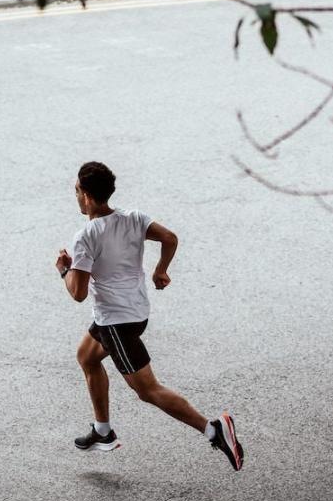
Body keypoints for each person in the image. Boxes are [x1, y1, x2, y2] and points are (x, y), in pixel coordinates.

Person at [52, 161, 244, 471]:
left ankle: (213, 429)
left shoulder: (86, 236)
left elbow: (78, 293)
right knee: (86, 357)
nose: (74, 195)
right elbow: (170, 238)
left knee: (148, 390)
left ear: (86, 195)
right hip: (137, 312)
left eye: (76, 190)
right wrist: (161, 270)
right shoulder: (134, 218)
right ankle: (103, 431)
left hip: (116, 322)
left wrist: (64, 269)